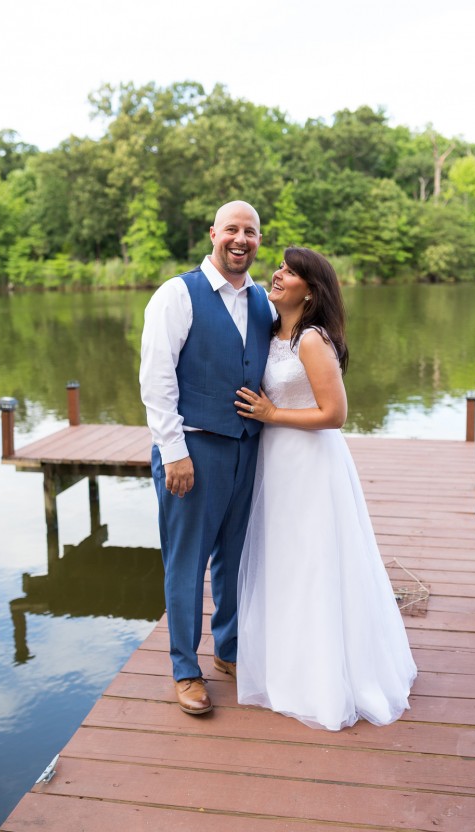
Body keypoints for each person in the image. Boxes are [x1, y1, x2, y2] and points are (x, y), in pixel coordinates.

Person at [235, 247, 417, 731]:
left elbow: (334, 416)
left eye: (290, 272)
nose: (277, 273)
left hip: (311, 464)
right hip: (276, 464)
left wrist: (272, 414)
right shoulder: (273, 333)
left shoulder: (312, 340)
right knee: (286, 562)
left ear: (310, 291)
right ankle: (289, 667)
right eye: (279, 266)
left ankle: (327, 679)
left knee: (316, 562)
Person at [140, 201, 274, 715]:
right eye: (233, 230)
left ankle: (230, 650)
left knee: (235, 558)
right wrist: (173, 451)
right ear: (213, 233)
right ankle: (184, 669)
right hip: (192, 448)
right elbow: (157, 378)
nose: (241, 239)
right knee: (186, 562)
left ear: (259, 240)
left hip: (247, 447)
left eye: (252, 232)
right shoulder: (178, 294)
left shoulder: (262, 300)